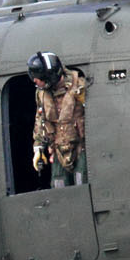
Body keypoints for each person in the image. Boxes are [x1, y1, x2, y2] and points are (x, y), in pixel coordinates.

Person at [29, 51, 87, 188]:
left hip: (81, 147)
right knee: (59, 186)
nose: (35, 81)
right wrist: (38, 149)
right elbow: (40, 120)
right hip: (58, 150)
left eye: (38, 78)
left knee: (82, 183)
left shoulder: (79, 86)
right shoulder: (42, 94)